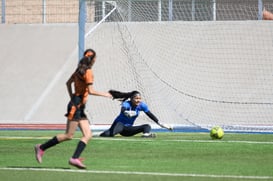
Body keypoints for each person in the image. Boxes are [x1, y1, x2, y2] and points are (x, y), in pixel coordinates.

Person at [34, 49, 112, 169]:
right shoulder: (88, 72)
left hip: (78, 105)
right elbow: (91, 91)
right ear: (93, 59)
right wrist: (106, 94)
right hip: (76, 106)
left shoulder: (78, 70)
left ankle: (74, 158)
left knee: (88, 134)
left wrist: (73, 97)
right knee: (68, 135)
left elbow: (68, 83)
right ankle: (41, 148)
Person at [99, 90, 173, 138]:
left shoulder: (142, 105)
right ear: (131, 99)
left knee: (146, 126)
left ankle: (146, 135)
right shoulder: (127, 103)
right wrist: (126, 112)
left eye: (139, 98)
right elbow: (123, 110)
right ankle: (100, 134)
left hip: (128, 130)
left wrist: (160, 123)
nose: (138, 100)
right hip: (119, 124)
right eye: (136, 98)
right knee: (110, 134)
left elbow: (150, 114)